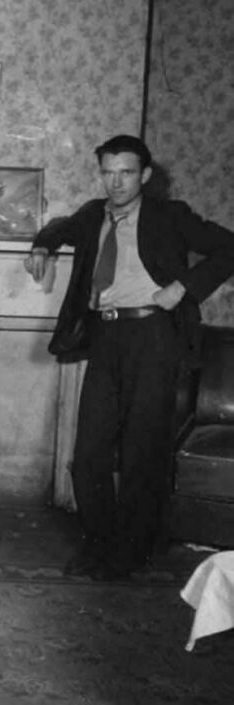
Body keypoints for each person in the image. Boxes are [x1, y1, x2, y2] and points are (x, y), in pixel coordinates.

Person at [25, 134, 234, 580]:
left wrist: (186, 287)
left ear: (144, 176)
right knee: (89, 453)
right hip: (107, 337)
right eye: (108, 172)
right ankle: (98, 544)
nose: (116, 182)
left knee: (143, 450)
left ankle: (130, 553)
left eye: (126, 173)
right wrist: (42, 246)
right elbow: (57, 227)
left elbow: (228, 246)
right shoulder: (92, 215)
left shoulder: (169, 216)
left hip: (155, 336)